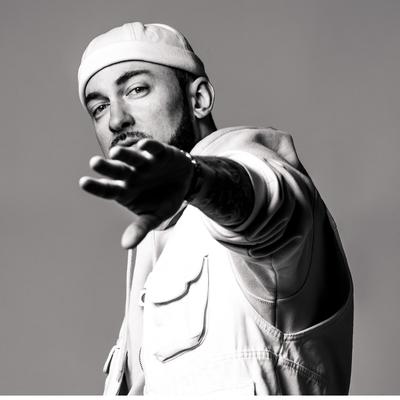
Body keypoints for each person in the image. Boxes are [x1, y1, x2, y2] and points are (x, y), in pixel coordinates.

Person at [77, 22, 353, 395]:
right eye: (99, 107)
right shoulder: (155, 244)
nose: (116, 120)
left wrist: (196, 180)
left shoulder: (259, 169)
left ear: (199, 99)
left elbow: (264, 204)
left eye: (137, 89)